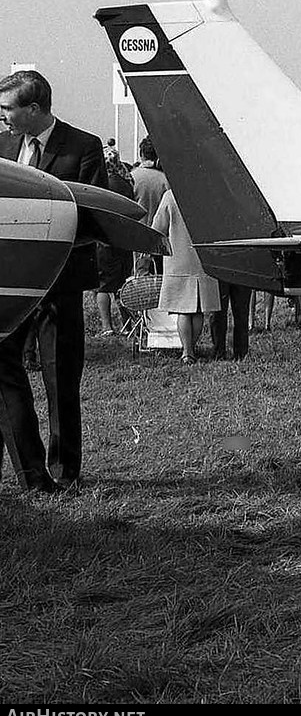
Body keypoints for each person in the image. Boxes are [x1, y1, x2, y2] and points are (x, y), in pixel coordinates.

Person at [0, 70, 107, 491]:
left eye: (8, 109)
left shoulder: (83, 146)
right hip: (13, 286)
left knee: (60, 379)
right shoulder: (5, 148)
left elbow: (91, 217)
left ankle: (65, 468)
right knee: (5, 371)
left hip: (61, 285)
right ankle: (30, 470)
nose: (2, 117)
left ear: (33, 109)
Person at [151, 190, 219, 365]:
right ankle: (191, 349)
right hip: (204, 258)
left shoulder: (170, 196)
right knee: (198, 309)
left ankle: (187, 351)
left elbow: (158, 228)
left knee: (183, 308)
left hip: (178, 258)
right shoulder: (208, 194)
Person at [93, 153, 138, 338]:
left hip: (105, 241)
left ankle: (106, 326)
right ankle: (127, 324)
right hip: (125, 240)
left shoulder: (101, 185)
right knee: (122, 285)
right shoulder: (126, 183)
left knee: (102, 286)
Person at [129, 136, 169, 275]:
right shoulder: (166, 180)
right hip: (160, 238)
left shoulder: (131, 177)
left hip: (135, 236)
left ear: (141, 154)